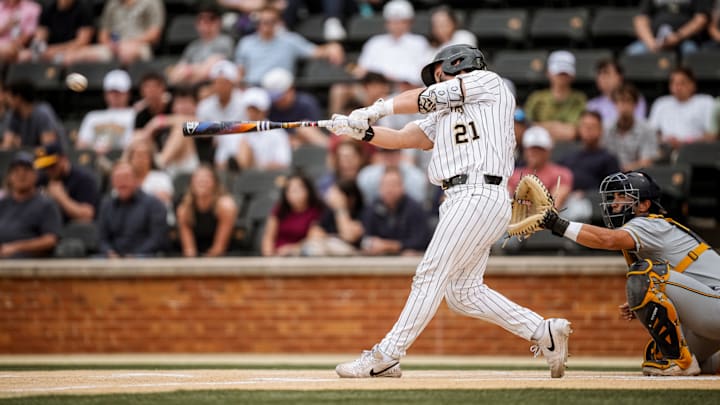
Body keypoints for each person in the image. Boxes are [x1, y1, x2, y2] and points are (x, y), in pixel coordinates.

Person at [327, 44, 572, 378]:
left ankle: (386, 356)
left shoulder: (489, 83)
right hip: (462, 199)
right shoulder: (445, 114)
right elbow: (402, 138)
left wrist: (376, 107)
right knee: (463, 292)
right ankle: (543, 331)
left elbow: (426, 97)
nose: (437, 79)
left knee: (430, 274)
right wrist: (361, 131)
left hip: (478, 191)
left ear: (460, 64)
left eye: (440, 72)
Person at [542, 171, 720, 376]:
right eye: (614, 197)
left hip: (715, 306)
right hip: (708, 310)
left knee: (644, 276)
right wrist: (647, 298)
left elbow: (607, 240)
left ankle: (679, 362)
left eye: (622, 196)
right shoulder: (648, 228)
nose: (614, 203)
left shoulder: (649, 222)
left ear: (643, 205)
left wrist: (557, 224)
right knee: (657, 357)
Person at [234, 5, 344, 85]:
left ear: (278, 22)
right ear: (257, 24)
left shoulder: (290, 40)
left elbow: (315, 51)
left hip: (282, 91)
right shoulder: (246, 43)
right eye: (264, 22)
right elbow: (240, 72)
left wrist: (333, 47)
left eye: (272, 21)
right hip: (254, 89)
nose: (268, 25)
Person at [96, 161, 168, 258]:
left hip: (144, 256)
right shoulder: (107, 206)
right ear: (112, 182)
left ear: (136, 180)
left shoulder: (154, 205)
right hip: (113, 258)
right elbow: (102, 239)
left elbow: (157, 239)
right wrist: (109, 252)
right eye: (117, 178)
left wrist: (135, 255)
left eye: (126, 177)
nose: (122, 182)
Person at [559, 111, 621, 222]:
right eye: (584, 126)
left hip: (590, 207)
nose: (588, 129)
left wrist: (587, 194)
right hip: (564, 201)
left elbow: (614, 191)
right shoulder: (568, 157)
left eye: (592, 126)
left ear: (601, 130)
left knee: (578, 210)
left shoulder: (608, 159)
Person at [61, 0, 165, 65]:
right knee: (73, 56)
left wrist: (128, 44)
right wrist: (110, 45)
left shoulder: (152, 2)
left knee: (127, 54)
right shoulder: (112, 3)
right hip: (113, 46)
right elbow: (103, 34)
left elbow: (154, 34)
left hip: (140, 45)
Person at [0, 151, 61, 258]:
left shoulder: (46, 205)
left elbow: (50, 240)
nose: (21, 174)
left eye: (26, 170)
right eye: (16, 171)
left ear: (35, 175)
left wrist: (15, 247)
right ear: (9, 176)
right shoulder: (3, 204)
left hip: (30, 264)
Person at [360, 167, 430, 256]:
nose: (389, 189)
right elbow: (365, 238)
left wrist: (390, 246)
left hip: (406, 258)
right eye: (385, 185)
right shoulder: (372, 208)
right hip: (378, 257)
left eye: (393, 185)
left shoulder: (415, 209)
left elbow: (421, 240)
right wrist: (371, 245)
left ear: (402, 187)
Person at [176, 165, 238, 257]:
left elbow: (219, 248)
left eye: (206, 178)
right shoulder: (184, 210)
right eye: (198, 178)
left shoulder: (225, 206)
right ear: (191, 184)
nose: (202, 181)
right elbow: (189, 250)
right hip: (197, 256)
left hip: (225, 256)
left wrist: (205, 266)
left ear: (215, 183)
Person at [524, 50, 586, 142]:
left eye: (565, 73)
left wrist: (542, 127)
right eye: (558, 73)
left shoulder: (579, 99)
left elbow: (574, 132)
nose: (561, 77)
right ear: (548, 73)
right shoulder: (536, 98)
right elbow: (527, 127)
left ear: (573, 75)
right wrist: (558, 128)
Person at [648, 67, 715, 152]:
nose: (677, 87)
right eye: (674, 83)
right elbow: (650, 133)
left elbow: (712, 135)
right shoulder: (661, 103)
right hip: (666, 151)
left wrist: (686, 143)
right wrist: (665, 141)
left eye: (682, 83)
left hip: (697, 150)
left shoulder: (706, 102)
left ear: (693, 85)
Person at [508, 126, 574, 212]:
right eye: (531, 149)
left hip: (547, 221)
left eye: (539, 149)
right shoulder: (513, 175)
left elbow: (554, 204)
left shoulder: (561, 174)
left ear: (548, 151)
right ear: (525, 150)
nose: (533, 153)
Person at [167, 3, 235, 86]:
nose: (204, 23)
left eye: (210, 19)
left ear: (218, 22)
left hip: (213, 86)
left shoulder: (225, 42)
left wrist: (189, 71)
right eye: (201, 19)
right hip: (191, 89)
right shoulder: (193, 46)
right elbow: (174, 76)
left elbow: (208, 72)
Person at [196, 59, 246, 169]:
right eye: (217, 83)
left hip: (241, 146)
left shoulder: (244, 102)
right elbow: (201, 132)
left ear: (232, 84)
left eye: (224, 83)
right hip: (214, 149)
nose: (220, 86)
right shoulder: (205, 105)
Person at [261, 172, 325, 257]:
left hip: (302, 256)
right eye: (290, 190)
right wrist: (269, 256)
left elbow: (314, 238)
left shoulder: (317, 211)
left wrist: (292, 249)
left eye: (298, 190)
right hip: (276, 256)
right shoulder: (279, 210)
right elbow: (268, 237)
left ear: (308, 190)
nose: (294, 194)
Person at [34, 142, 99, 224]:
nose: (48, 170)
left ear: (63, 159)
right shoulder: (42, 178)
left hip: (73, 232)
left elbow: (87, 215)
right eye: (44, 167)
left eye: (52, 165)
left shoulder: (84, 179)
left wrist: (61, 198)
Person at [261, 67, 327, 148]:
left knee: (305, 129)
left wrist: (295, 139)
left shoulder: (306, 103)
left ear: (291, 89)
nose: (277, 101)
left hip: (305, 144)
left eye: (280, 96)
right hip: (276, 146)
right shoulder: (268, 106)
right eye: (274, 98)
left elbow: (314, 132)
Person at [76, 69, 136, 156]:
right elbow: (80, 145)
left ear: (127, 93)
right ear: (105, 94)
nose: (115, 96)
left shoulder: (134, 114)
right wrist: (94, 148)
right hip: (94, 159)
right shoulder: (92, 116)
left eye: (119, 92)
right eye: (111, 92)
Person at [603, 83, 659, 172]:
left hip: (638, 177)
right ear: (614, 104)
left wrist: (621, 170)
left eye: (628, 101)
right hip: (609, 177)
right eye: (620, 101)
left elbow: (647, 162)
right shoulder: (606, 129)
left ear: (635, 104)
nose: (624, 106)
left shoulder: (647, 129)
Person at [18, 0, 93, 64]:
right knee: (24, 56)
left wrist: (53, 50)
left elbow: (82, 42)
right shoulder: (49, 8)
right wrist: (39, 48)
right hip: (49, 50)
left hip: (72, 50)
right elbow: (41, 35)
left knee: (68, 59)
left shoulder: (83, 9)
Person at [235, 87, 291, 171]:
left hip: (270, 178)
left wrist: (258, 165)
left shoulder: (278, 133)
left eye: (256, 110)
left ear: (265, 110)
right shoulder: (239, 131)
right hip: (244, 178)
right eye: (249, 109)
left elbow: (283, 162)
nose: (252, 113)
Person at [627, 0, 712, 56]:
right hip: (655, 40)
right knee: (633, 53)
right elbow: (640, 19)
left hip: (685, 40)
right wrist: (650, 42)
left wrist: (678, 36)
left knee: (690, 54)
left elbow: (701, 19)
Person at [304, 179, 364, 256]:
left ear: (351, 199)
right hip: (327, 250)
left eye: (337, 195)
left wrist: (341, 209)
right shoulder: (329, 212)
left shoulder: (362, 212)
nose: (332, 198)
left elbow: (349, 236)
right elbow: (314, 233)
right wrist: (333, 237)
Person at [1, 79, 65, 149]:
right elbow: (6, 146)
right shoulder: (14, 115)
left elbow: (49, 147)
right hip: (29, 156)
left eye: (10, 97)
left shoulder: (42, 113)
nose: (7, 100)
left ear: (18, 98)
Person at [586, 59, 647, 129]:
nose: (602, 77)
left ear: (620, 77)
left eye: (606, 73)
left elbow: (636, 125)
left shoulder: (633, 98)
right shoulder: (591, 105)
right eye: (599, 74)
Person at [356, 147, 427, 206]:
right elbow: (367, 202)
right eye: (386, 154)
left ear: (400, 155)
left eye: (394, 153)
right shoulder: (367, 176)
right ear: (380, 156)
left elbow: (418, 202)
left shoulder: (416, 176)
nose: (390, 158)